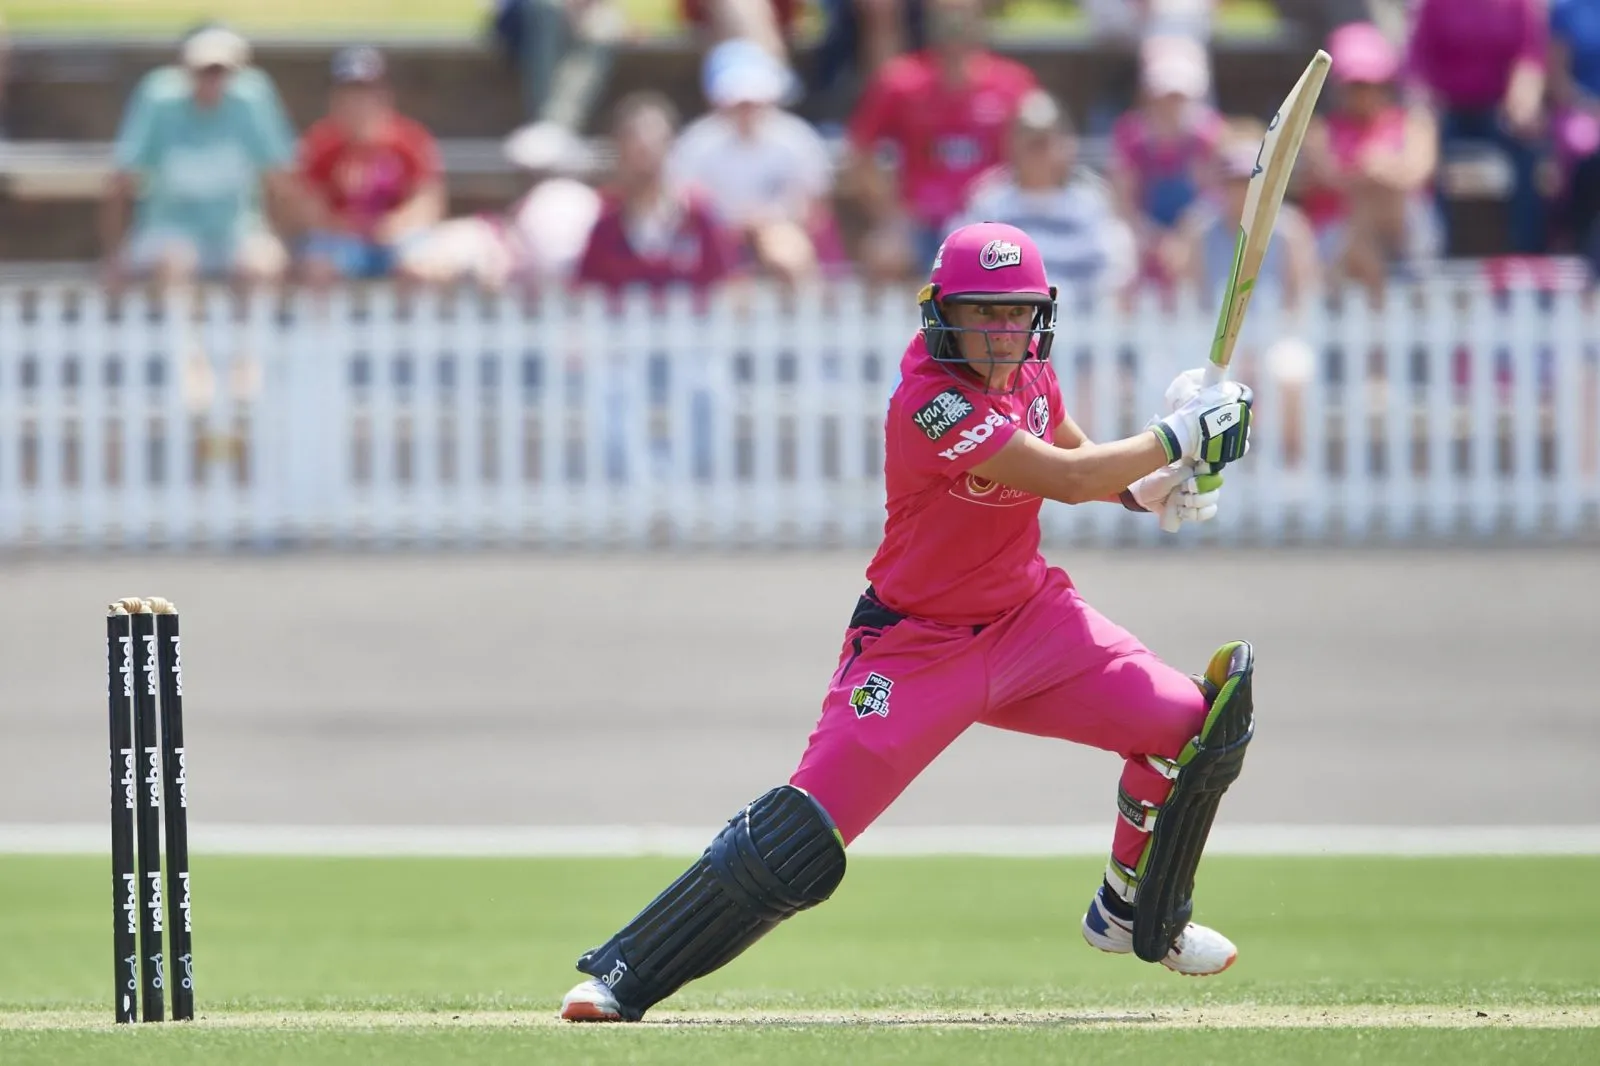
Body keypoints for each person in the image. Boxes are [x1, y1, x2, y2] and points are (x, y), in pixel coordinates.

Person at [557, 221, 1259, 1023]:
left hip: (1032, 623)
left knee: (1190, 725)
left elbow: (1081, 455)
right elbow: (1064, 478)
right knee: (803, 837)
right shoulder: (931, 402)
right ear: (943, 314)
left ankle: (1133, 909)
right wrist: (1176, 435)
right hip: (916, 647)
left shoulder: (1031, 373)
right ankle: (624, 975)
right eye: (982, 313)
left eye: (1015, 313)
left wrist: (1153, 484)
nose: (1002, 331)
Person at [842, 0, 1039, 281]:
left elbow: (1037, 146)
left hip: (993, 216)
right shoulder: (902, 81)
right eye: (946, 17)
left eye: (963, 16)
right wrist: (890, 212)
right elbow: (860, 151)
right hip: (921, 221)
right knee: (885, 255)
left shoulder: (1013, 83)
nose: (955, 28)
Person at [101, 25, 297, 291]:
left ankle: (247, 332)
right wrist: (114, 253)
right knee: (174, 261)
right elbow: (122, 179)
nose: (211, 80)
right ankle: (179, 332)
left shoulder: (253, 99)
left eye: (220, 72)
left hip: (236, 230)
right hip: (169, 227)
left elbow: (279, 179)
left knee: (261, 265)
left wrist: (282, 242)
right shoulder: (158, 98)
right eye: (204, 71)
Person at [668, 38, 841, 284]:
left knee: (785, 252)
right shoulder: (695, 145)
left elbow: (814, 208)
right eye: (738, 101)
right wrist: (730, 226)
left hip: (781, 232)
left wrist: (771, 220)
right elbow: (682, 205)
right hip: (713, 239)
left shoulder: (796, 140)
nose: (747, 109)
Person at [1297, 20, 1440, 299]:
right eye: (1355, 85)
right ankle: (1388, 297)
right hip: (1339, 242)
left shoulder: (1414, 124)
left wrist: (1378, 169)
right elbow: (1326, 176)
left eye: (1370, 83)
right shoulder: (1319, 131)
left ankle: (1390, 293)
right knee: (1363, 210)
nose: (1363, 93)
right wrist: (1370, 171)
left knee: (1385, 199)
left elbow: (1419, 172)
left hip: (1402, 232)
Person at [1404, 0, 1550, 254]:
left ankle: (1526, 249)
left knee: (1530, 154)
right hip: (1447, 112)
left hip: (1499, 112)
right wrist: (1423, 108)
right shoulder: (1434, 5)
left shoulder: (1518, 5)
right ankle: (1437, 248)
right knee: (1423, 160)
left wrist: (1523, 102)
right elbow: (1417, 62)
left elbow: (1529, 58)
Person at [295, 46, 446, 288]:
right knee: (318, 267)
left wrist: (395, 224)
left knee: (421, 266)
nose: (359, 103)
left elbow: (428, 200)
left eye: (366, 93)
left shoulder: (410, 140)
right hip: (340, 238)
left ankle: (410, 325)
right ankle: (325, 325)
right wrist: (343, 225)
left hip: (396, 237)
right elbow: (307, 205)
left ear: (384, 96)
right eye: (350, 94)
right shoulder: (320, 143)